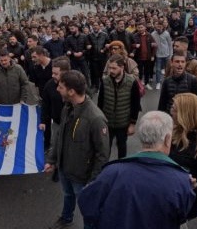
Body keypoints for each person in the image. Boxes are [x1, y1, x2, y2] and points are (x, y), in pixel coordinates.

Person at [78, 111, 195, 229]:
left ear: (141, 136)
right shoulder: (181, 181)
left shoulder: (111, 172)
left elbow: (87, 203)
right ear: (167, 139)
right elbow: (184, 214)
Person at [44, 70, 110, 229]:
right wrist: (52, 160)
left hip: (82, 177)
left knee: (88, 209)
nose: (57, 89)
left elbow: (102, 155)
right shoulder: (67, 107)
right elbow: (60, 136)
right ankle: (66, 218)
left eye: (60, 87)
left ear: (71, 91)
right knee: (67, 195)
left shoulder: (96, 119)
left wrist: (92, 181)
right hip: (65, 169)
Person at [97, 54, 141, 158]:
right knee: (105, 148)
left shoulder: (132, 82)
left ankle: (121, 168)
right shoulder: (104, 81)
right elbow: (100, 102)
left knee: (122, 147)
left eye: (114, 68)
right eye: (109, 68)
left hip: (123, 123)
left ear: (122, 67)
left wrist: (132, 124)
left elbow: (135, 104)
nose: (111, 70)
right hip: (107, 122)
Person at [41, 56, 70, 156]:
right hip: (57, 124)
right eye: (52, 73)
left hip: (72, 124)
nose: (53, 75)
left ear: (65, 73)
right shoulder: (49, 85)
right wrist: (43, 121)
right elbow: (45, 105)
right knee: (57, 147)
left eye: (56, 74)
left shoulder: (75, 84)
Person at [151, 20, 172, 90]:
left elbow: (169, 44)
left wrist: (170, 54)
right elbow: (151, 43)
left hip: (166, 54)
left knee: (167, 69)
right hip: (158, 55)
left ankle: (167, 82)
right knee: (157, 70)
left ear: (163, 27)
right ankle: (158, 83)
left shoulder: (166, 33)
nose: (159, 28)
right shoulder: (153, 34)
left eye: (160, 26)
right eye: (157, 26)